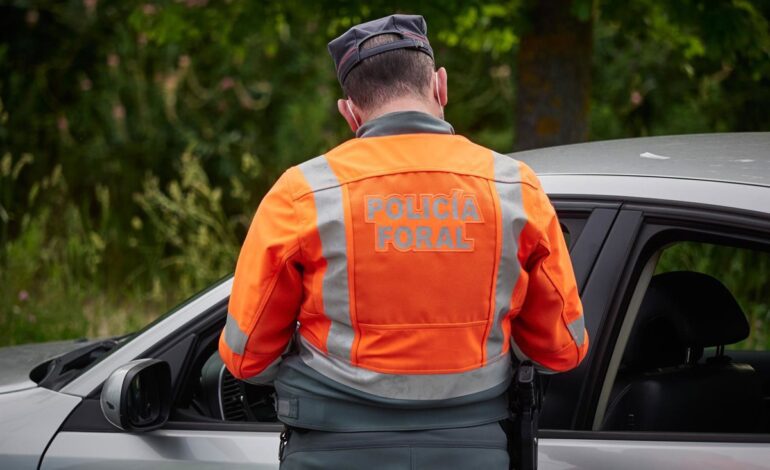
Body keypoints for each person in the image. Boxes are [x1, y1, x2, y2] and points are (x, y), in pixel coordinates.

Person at [219, 14, 588, 469]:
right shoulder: (515, 187)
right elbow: (562, 350)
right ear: (441, 87)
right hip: (474, 450)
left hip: (330, 450)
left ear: (349, 112)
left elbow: (246, 356)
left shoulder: (303, 194)